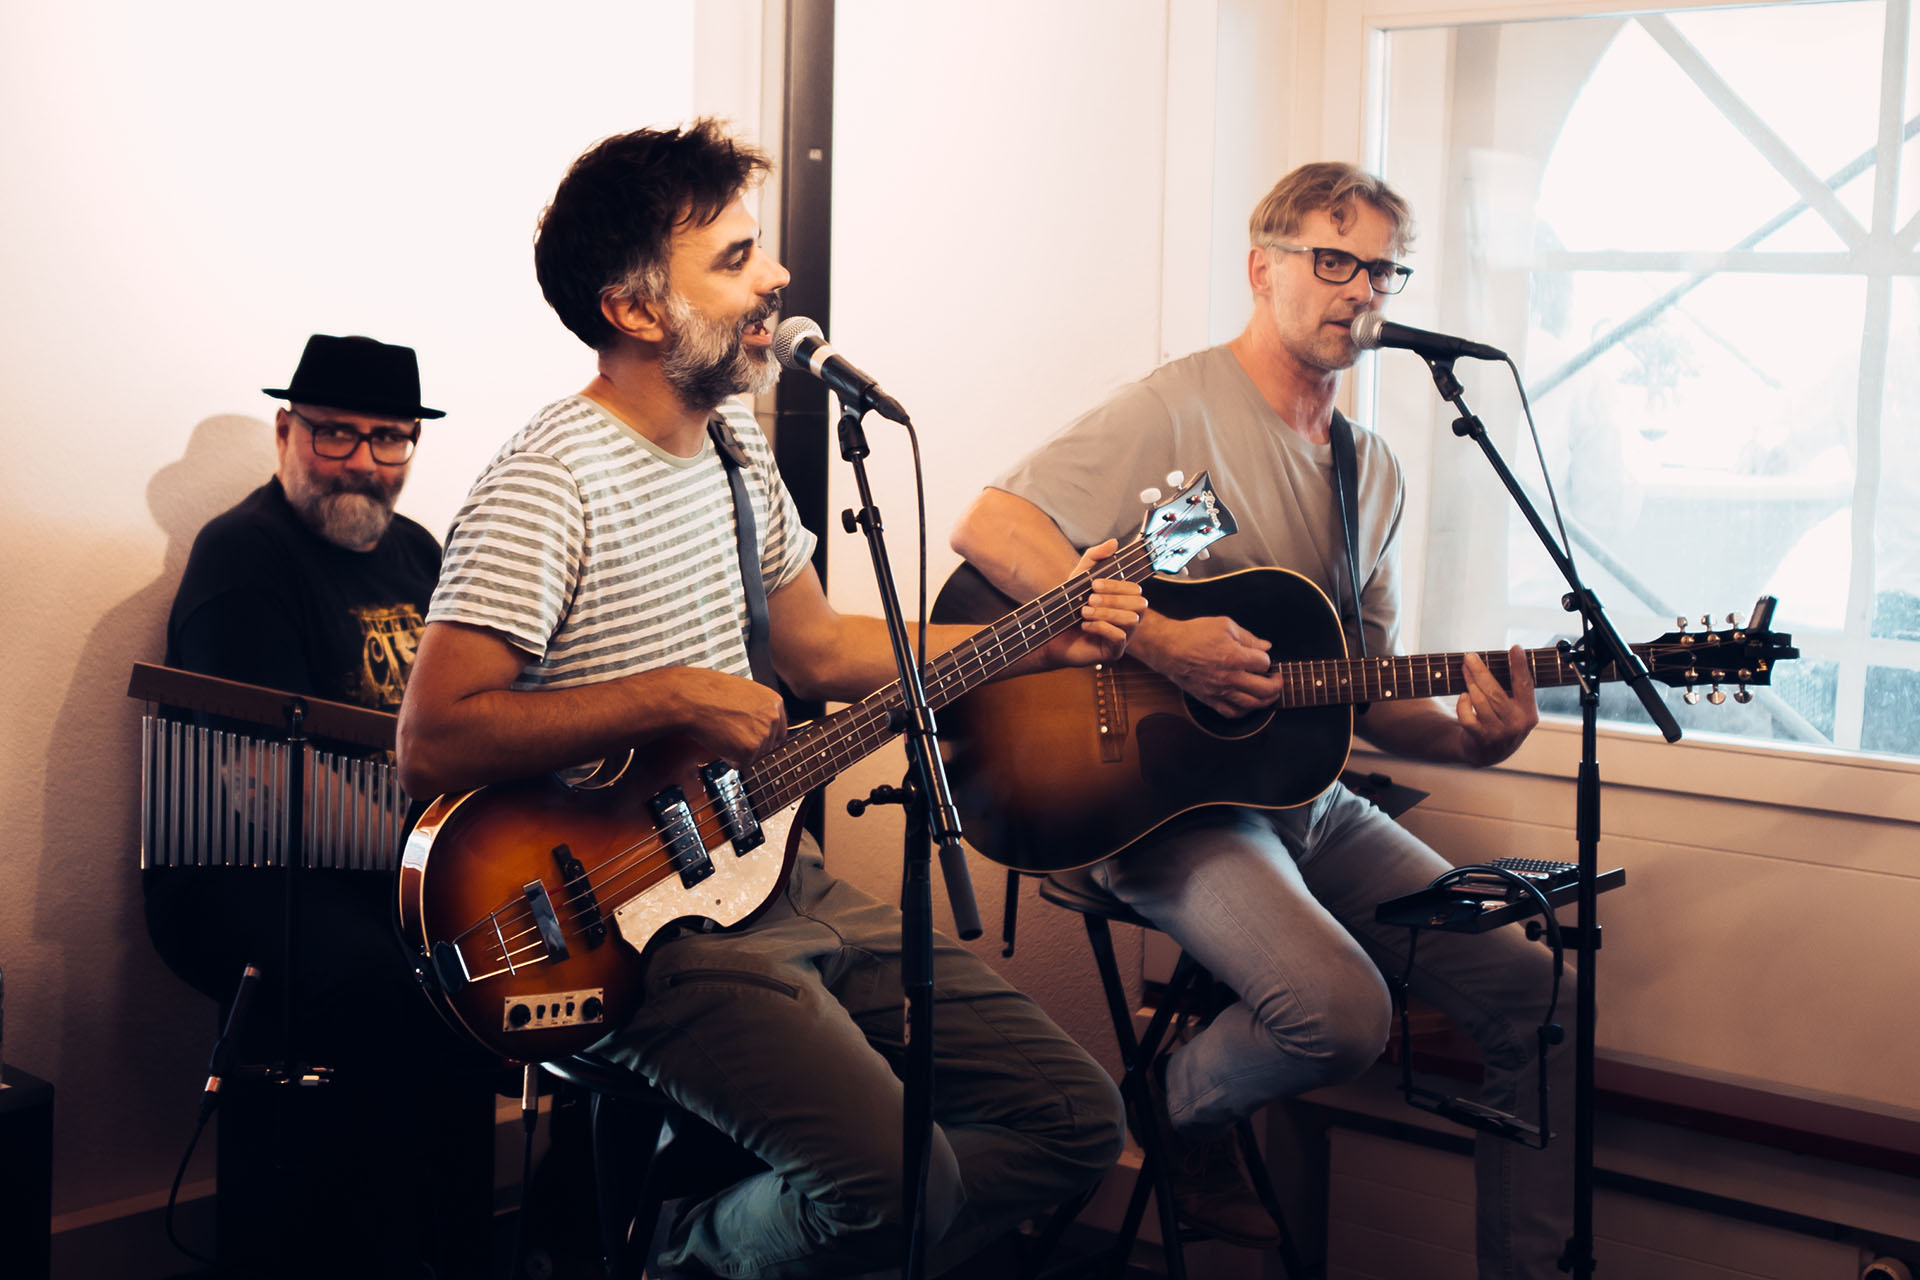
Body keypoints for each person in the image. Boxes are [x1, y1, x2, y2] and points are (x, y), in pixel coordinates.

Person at [395, 119, 1136, 1280]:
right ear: (635, 309)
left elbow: (825, 649)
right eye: (737, 258)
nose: (777, 277)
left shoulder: (735, 441)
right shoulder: (548, 481)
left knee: (1077, 1118)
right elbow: (433, 739)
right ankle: (687, 1255)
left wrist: (1038, 639)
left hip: (772, 873)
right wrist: (673, 694)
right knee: (899, 1189)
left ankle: (768, 1233)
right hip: (628, 921)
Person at [951, 162, 1574, 1279]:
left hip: (1307, 798)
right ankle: (1163, 1102)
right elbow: (991, 529)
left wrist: (1473, 739)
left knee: (1535, 993)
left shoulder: (1370, 473)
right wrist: (1156, 639)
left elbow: (1367, 693)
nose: (1361, 289)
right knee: (1343, 1014)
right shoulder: (1175, 408)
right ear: (1262, 268)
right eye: (1334, 260)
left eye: (1382, 269)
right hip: (1158, 801)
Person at [148, 333, 493, 1280]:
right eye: (335, 434)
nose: (362, 463)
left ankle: (444, 1247)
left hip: (388, 863)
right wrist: (439, 877)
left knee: (486, 976)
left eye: (389, 439)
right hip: (244, 871)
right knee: (407, 978)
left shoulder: (420, 552)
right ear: (286, 431)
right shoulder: (243, 552)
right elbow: (261, 784)